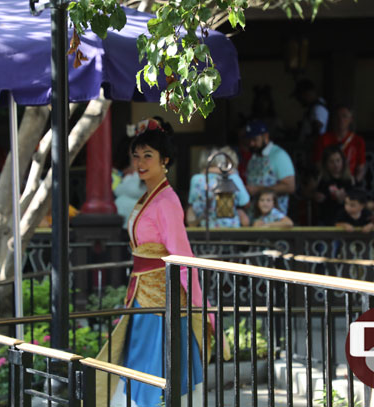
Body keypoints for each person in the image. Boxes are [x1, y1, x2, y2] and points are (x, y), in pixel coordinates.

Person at [96, 117, 217, 407]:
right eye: (136, 155)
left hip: (162, 303)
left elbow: (182, 256)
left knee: (154, 370)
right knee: (139, 366)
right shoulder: (150, 196)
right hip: (143, 298)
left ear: (165, 160)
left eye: (147, 155)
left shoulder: (167, 201)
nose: (140, 162)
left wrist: (199, 306)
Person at [187, 146, 250, 228]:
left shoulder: (196, 179)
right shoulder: (232, 177)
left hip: (206, 228)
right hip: (231, 228)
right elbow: (245, 202)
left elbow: (192, 203)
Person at [244, 120, 295, 215]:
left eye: (255, 140)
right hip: (253, 215)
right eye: (249, 140)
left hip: (274, 218)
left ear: (265, 136)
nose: (251, 144)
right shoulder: (253, 158)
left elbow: (290, 186)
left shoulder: (279, 155)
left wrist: (259, 190)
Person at [313, 105, 366, 184]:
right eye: (338, 117)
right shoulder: (323, 139)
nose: (340, 120)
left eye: (344, 116)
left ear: (351, 119)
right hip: (328, 182)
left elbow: (361, 168)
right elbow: (318, 164)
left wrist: (355, 182)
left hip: (349, 181)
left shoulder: (358, 141)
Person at [313, 145, 354, 226]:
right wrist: (317, 196)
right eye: (331, 162)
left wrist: (345, 198)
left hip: (345, 221)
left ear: (343, 161)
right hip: (326, 220)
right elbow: (317, 196)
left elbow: (355, 199)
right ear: (326, 164)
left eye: (338, 160)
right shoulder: (322, 179)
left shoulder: (349, 180)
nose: (336, 165)